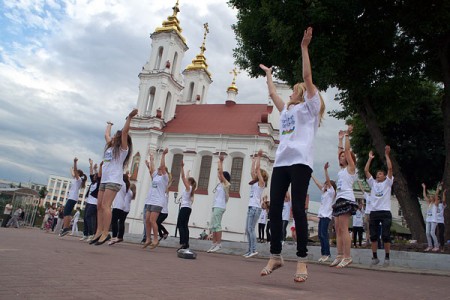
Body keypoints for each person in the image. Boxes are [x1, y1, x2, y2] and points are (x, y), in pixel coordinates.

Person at [259, 27, 325, 283]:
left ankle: (302, 260)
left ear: (302, 92)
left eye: (294, 90)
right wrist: (268, 76)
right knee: (275, 209)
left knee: (297, 207)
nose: (290, 94)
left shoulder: (310, 106)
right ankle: (276, 255)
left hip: (300, 162)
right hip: (282, 162)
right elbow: (274, 94)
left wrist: (304, 48)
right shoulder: (287, 110)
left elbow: (307, 76)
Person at [90, 109, 137, 246]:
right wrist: (109, 124)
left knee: (106, 205)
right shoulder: (110, 148)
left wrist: (129, 117)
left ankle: (106, 232)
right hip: (104, 180)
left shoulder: (123, 149)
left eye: (117, 136)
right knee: (99, 205)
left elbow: (124, 132)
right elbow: (106, 134)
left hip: (114, 180)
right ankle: (98, 231)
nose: (115, 137)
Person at [329, 125, 358, 269]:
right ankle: (339, 255)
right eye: (340, 157)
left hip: (347, 198)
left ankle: (347, 256)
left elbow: (346, 151)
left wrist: (347, 136)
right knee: (338, 229)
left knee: (344, 228)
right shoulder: (341, 170)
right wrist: (339, 140)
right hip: (339, 199)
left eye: (343, 156)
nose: (341, 157)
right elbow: (340, 152)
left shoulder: (350, 169)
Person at [365, 146, 394, 265]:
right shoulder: (373, 184)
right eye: (377, 174)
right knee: (374, 236)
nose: (378, 175)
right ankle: (374, 257)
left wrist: (387, 155)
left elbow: (390, 168)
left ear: (384, 176)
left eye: (380, 173)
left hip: (385, 211)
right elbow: (366, 171)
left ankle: (387, 257)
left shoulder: (388, 183)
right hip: (374, 212)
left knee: (386, 235)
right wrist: (369, 159)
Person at [243, 150, 268, 258]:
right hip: (251, 207)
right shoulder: (254, 182)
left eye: (258, 173)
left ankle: (253, 250)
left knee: (251, 229)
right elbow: (252, 171)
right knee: (247, 229)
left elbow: (257, 170)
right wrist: (253, 161)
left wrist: (258, 157)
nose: (256, 173)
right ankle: (250, 250)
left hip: (255, 208)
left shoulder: (262, 183)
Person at [142, 148, 169, 249]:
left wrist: (163, 155)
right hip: (150, 200)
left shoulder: (164, 178)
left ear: (163, 171)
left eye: (160, 169)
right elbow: (151, 169)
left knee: (153, 220)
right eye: (158, 169)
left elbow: (162, 166)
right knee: (147, 220)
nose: (158, 170)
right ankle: (148, 239)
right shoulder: (155, 176)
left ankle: (156, 239)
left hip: (158, 201)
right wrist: (151, 159)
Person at [311, 162, 336, 263]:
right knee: (321, 235)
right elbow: (317, 183)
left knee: (323, 234)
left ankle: (327, 253)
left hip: (327, 216)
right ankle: (323, 253)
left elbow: (329, 182)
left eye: (326, 184)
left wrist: (325, 170)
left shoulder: (331, 192)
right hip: (322, 216)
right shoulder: (324, 192)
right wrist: (311, 175)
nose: (324, 185)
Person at [206, 154, 231, 253]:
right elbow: (219, 173)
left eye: (222, 176)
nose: (219, 176)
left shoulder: (226, 184)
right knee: (213, 225)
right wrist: (218, 165)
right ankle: (214, 243)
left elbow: (220, 173)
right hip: (216, 206)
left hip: (220, 206)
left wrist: (220, 162)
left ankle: (218, 243)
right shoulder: (220, 184)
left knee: (217, 225)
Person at [60, 157, 87, 237]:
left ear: (78, 174)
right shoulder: (76, 179)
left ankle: (66, 228)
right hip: (72, 198)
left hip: (72, 198)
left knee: (66, 213)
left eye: (76, 173)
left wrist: (75, 163)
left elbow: (74, 171)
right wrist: (71, 168)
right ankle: (66, 228)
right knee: (67, 213)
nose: (74, 174)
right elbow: (73, 172)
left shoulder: (79, 180)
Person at [176, 160, 197, 250]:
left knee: (180, 224)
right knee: (184, 225)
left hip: (184, 208)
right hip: (188, 208)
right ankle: (186, 243)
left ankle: (183, 242)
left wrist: (182, 167)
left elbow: (183, 177)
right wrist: (188, 172)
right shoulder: (190, 188)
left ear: (189, 183)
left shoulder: (188, 187)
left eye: (188, 181)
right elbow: (186, 177)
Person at [109, 175, 136, 245]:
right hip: (122, 206)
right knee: (120, 222)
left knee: (114, 222)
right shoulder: (127, 188)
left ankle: (114, 237)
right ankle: (119, 236)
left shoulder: (122, 185)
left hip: (118, 206)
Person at [82, 159, 100, 242]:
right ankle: (85, 234)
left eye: (96, 176)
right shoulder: (93, 182)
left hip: (94, 203)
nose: (94, 176)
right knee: (85, 217)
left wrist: (97, 169)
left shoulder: (99, 183)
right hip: (89, 201)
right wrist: (91, 165)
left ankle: (91, 233)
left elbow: (98, 175)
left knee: (89, 216)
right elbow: (91, 174)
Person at [422, 183, 440, 252]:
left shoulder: (435, 204)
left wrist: (437, 188)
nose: (430, 197)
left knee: (432, 233)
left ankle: (436, 246)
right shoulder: (429, 204)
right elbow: (424, 195)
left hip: (433, 220)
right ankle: (430, 246)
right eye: (429, 197)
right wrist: (424, 188)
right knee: (427, 233)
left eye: (431, 196)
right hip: (428, 220)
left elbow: (436, 195)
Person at [157, 173, 173, 242]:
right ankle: (161, 234)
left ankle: (165, 232)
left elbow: (167, 188)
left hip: (164, 212)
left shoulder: (166, 193)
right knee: (155, 222)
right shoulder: (162, 193)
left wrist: (170, 182)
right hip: (161, 212)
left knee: (157, 222)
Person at [436, 186, 447, 252]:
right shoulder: (435, 205)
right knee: (433, 233)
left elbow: (444, 200)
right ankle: (435, 246)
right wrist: (438, 188)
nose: (438, 200)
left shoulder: (442, 205)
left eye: (439, 199)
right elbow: (436, 195)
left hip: (441, 221)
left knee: (441, 234)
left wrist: (443, 193)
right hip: (435, 221)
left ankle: (442, 247)